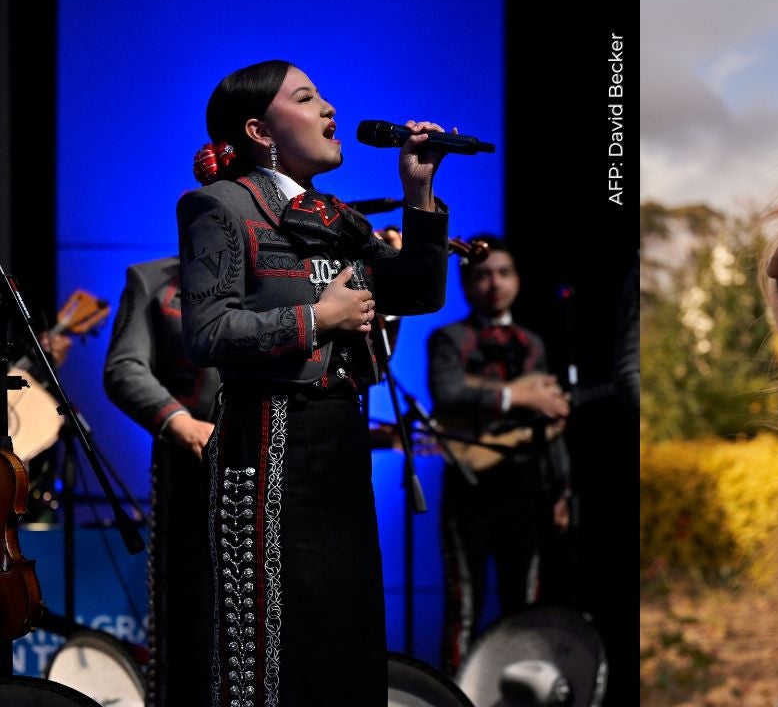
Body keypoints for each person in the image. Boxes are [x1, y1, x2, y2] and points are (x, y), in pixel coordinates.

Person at [178, 59, 451, 707]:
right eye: (307, 98)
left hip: (338, 444)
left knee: (345, 631)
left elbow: (418, 291)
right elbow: (207, 333)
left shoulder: (337, 217)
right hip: (267, 442)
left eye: (324, 96)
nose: (330, 109)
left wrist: (417, 192)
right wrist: (317, 318)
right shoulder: (220, 205)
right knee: (273, 640)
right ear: (260, 129)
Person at [426, 234, 572, 674]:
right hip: (469, 489)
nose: (494, 283)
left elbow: (549, 423)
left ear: (518, 280)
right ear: (467, 285)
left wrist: (561, 488)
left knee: (523, 606)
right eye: (483, 275)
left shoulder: (533, 343)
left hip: (525, 488)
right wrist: (517, 397)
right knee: (463, 606)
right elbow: (447, 393)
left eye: (504, 273)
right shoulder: (448, 339)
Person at [102, 256, 222, 707]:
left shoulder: (288, 269)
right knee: (190, 616)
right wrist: (178, 421)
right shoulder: (152, 280)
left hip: (277, 461)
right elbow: (124, 367)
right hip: (191, 465)